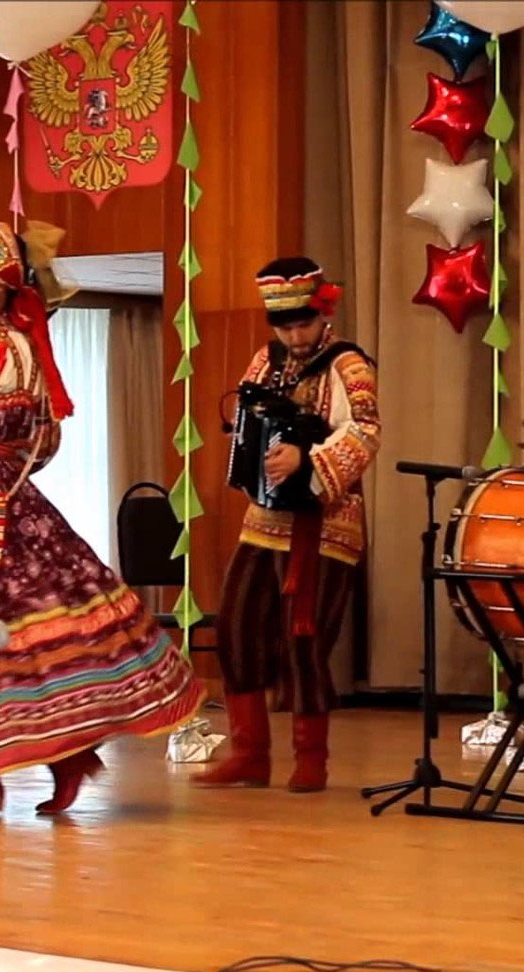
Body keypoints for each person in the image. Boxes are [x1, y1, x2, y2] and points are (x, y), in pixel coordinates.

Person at [0, 221, 202, 815]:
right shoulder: (29, 349)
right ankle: (59, 761)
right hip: (16, 501)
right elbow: (44, 444)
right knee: (32, 632)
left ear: (0, 282)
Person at [194, 257, 379, 794]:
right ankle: (249, 753)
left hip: (326, 522)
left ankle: (311, 756)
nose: (295, 336)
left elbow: (366, 431)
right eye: (285, 326)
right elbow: (249, 420)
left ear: (323, 314)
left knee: (305, 637)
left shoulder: (350, 366)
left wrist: (308, 459)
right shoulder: (264, 360)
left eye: (303, 324)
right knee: (237, 628)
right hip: (263, 519)